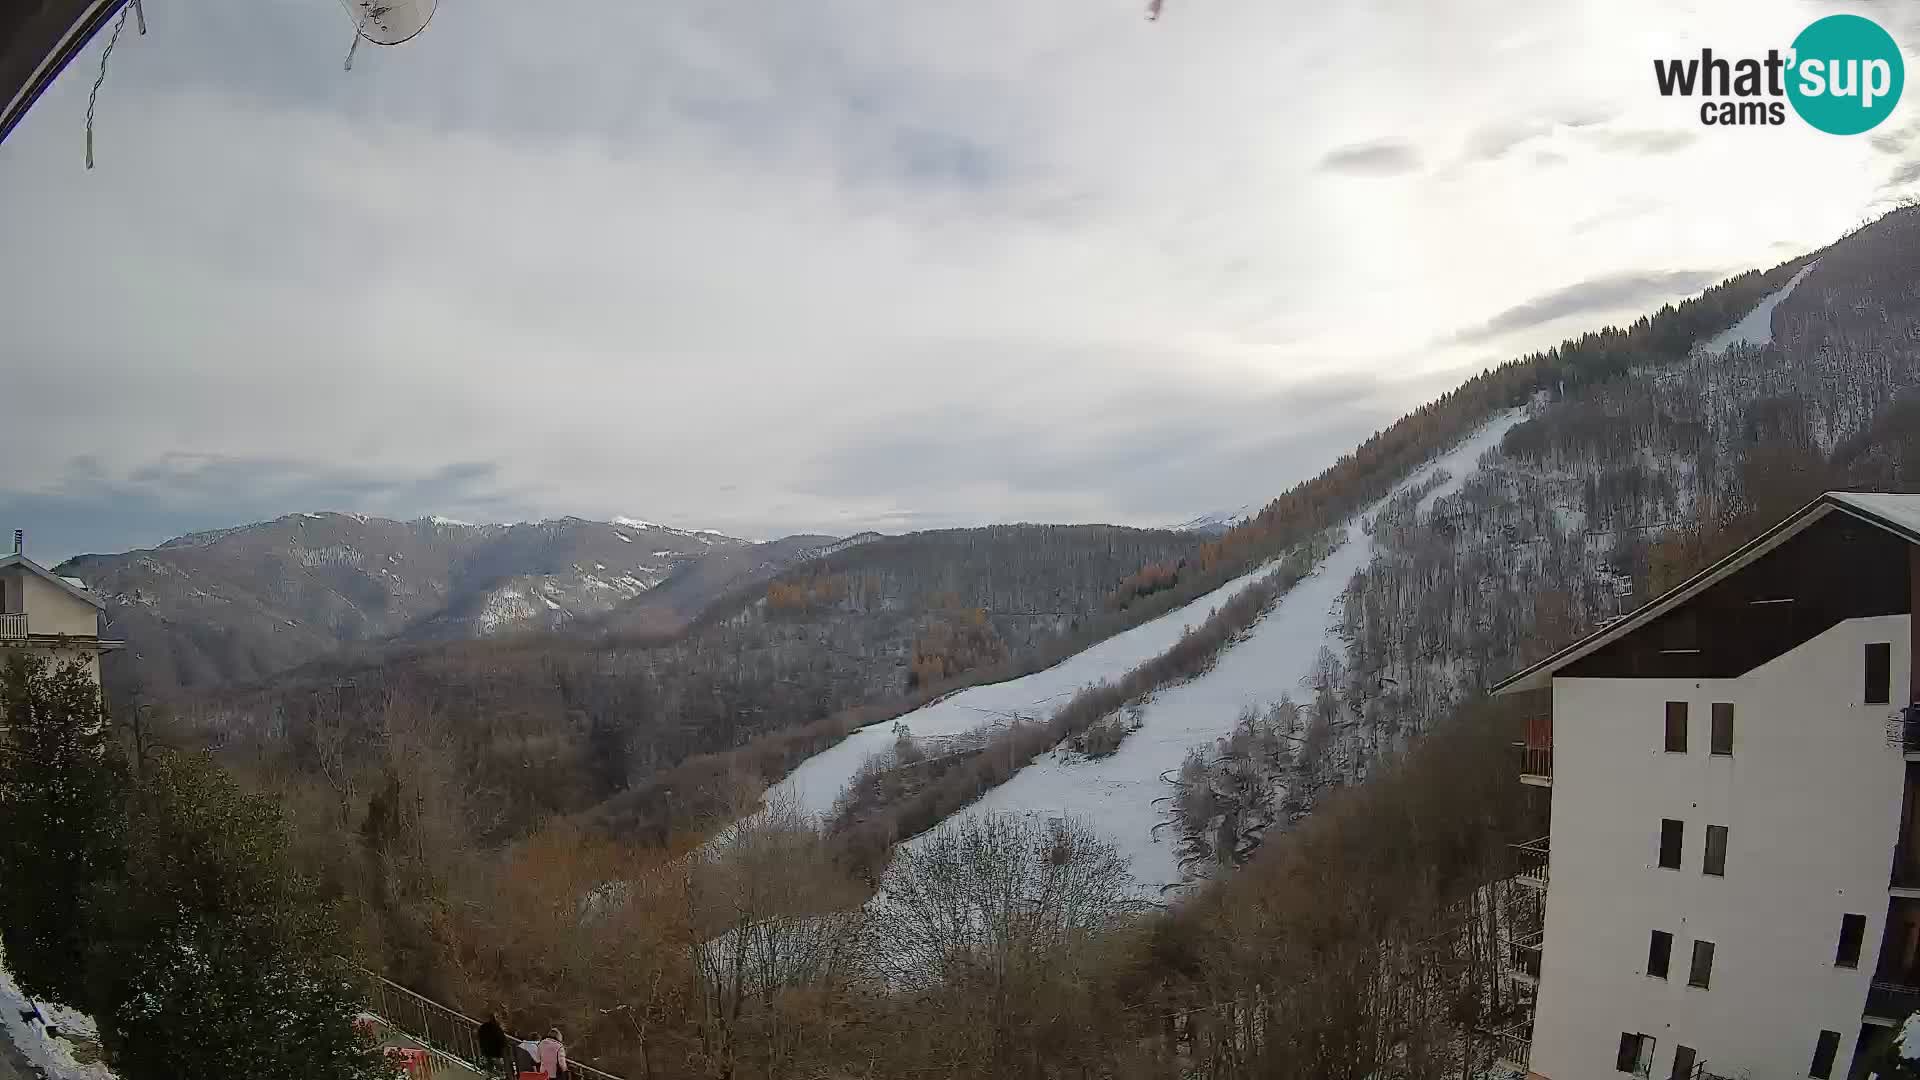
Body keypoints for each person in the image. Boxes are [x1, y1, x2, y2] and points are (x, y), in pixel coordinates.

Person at [475, 1011, 508, 1078]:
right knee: (500, 1068)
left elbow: (478, 1038)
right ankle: (501, 1076)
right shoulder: (497, 1028)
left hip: (486, 1052)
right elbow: (503, 1040)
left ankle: (490, 1076)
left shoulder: (483, 1027)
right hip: (496, 1053)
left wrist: (481, 1049)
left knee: (489, 1069)